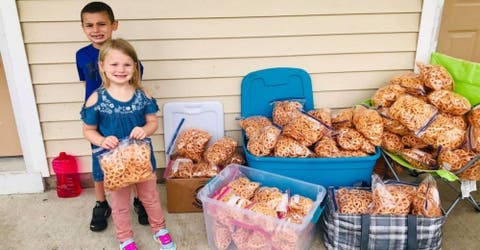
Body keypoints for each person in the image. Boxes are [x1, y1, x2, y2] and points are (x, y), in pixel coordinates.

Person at [81, 38, 176, 250]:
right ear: (102, 67)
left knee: (150, 197)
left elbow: (152, 122)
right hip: (115, 164)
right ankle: (125, 238)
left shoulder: (142, 95)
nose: (120, 69)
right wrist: (102, 140)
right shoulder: (97, 99)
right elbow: (88, 130)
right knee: (120, 204)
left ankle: (159, 229)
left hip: (141, 160)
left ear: (135, 66)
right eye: (114, 64)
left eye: (126, 64)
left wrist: (145, 129)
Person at [76, 1, 148, 232]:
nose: (95, 29)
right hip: (98, 116)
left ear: (114, 25)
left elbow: (135, 84)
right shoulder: (81, 55)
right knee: (100, 160)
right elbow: (87, 84)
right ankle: (101, 203)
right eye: (89, 25)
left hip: (126, 114)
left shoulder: (125, 54)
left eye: (101, 24)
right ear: (83, 27)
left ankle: (139, 200)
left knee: (133, 158)